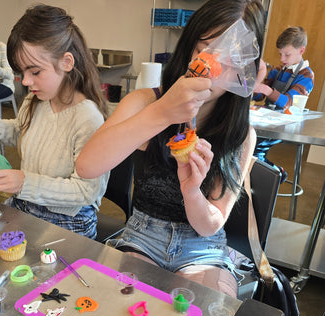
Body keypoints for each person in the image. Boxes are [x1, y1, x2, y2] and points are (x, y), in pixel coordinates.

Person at [76, 0, 266, 297]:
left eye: (231, 59)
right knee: (118, 311)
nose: (214, 68)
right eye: (205, 48)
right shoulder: (145, 102)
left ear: (246, 69)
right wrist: (164, 111)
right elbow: (87, 166)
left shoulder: (240, 134)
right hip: (142, 237)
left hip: (202, 248)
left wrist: (192, 192)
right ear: (189, 47)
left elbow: (210, 224)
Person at [0, 5, 109, 239]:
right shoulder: (37, 100)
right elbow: (24, 132)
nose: (27, 81)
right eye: (22, 72)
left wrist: (24, 182)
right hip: (27, 203)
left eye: (35, 72)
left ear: (67, 62)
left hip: (68, 220)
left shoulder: (87, 117)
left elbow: (85, 191)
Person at [252, 26, 314, 180]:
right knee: (244, 140)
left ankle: (276, 174)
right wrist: (255, 84)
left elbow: (289, 103)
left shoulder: (306, 75)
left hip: (286, 123)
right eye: (280, 54)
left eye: (287, 54)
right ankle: (255, 177)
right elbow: (259, 96)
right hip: (266, 119)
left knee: (255, 148)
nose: (282, 59)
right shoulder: (278, 70)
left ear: (301, 50)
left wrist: (267, 90)